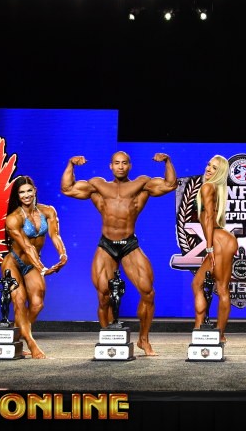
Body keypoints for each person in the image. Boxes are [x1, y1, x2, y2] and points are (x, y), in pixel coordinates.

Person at [61, 152, 176, 356]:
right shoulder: (98, 185)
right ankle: (108, 337)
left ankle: (144, 339)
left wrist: (167, 161)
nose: (120, 166)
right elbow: (67, 188)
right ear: (111, 166)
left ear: (129, 166)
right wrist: (71, 164)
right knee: (103, 296)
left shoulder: (141, 184)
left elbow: (170, 184)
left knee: (148, 292)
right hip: (106, 245)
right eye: (117, 163)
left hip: (129, 244)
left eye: (124, 163)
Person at [1, 175, 66, 358]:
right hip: (13, 263)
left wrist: (63, 254)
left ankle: (17, 333)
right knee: (19, 302)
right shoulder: (13, 219)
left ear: (35, 190)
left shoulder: (48, 211)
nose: (26, 195)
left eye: (29, 190)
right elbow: (27, 247)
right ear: (17, 195)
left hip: (31, 264)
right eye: (22, 192)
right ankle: (31, 343)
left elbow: (55, 235)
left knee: (37, 304)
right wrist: (43, 268)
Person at [191, 155, 238, 341]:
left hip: (219, 241)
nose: (209, 169)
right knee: (199, 284)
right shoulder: (215, 188)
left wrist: (209, 248)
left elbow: (210, 217)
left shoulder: (207, 187)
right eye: (209, 165)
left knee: (221, 288)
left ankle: (217, 333)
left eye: (214, 168)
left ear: (221, 172)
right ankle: (202, 330)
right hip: (222, 239)